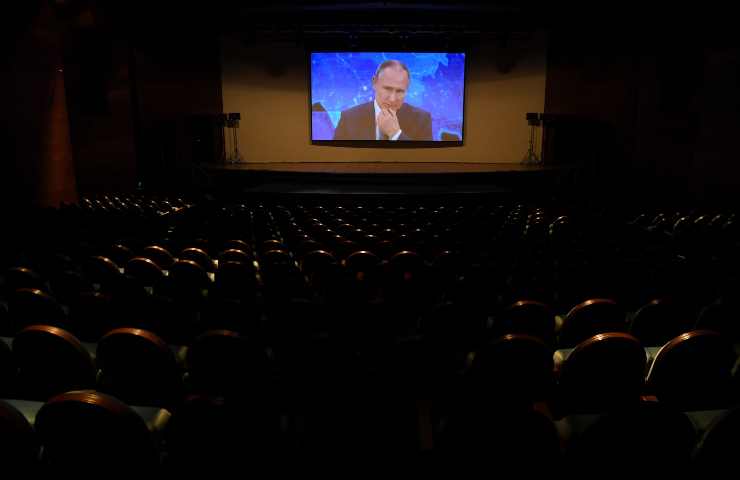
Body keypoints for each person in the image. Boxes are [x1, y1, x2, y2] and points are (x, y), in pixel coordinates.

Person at [333, 59, 433, 141]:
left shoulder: (422, 120)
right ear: (374, 83)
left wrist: (396, 134)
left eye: (400, 91)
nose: (392, 99)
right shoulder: (349, 118)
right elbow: (336, 158)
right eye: (387, 89)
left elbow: (426, 162)